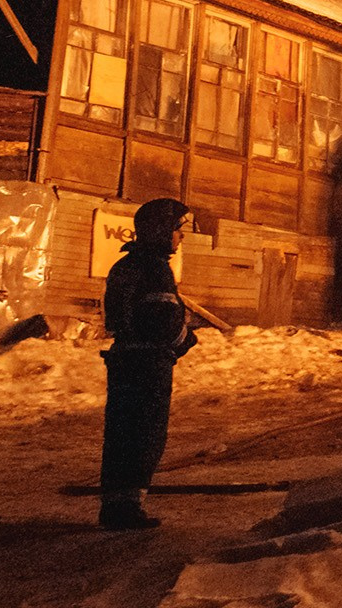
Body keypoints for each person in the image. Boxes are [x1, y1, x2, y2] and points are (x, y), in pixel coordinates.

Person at [100, 197, 197, 530]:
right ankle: (128, 508)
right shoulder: (155, 269)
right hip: (149, 363)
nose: (180, 237)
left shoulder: (124, 266)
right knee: (145, 432)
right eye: (177, 229)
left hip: (124, 359)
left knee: (121, 432)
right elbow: (163, 319)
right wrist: (186, 338)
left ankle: (114, 505)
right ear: (161, 229)